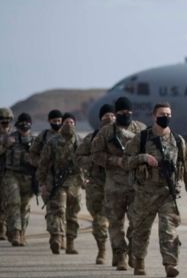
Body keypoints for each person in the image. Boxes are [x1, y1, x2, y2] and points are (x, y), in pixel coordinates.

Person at [123, 102, 187, 277]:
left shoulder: (178, 140)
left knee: (169, 229)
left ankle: (170, 264)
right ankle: (139, 261)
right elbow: (126, 161)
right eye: (162, 114)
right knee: (141, 230)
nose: (165, 117)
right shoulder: (141, 138)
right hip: (145, 192)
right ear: (154, 116)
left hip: (167, 192)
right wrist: (143, 157)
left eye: (168, 114)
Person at [91, 97, 146, 270]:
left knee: (137, 222)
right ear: (116, 113)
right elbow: (96, 155)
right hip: (114, 186)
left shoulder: (141, 129)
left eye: (129, 111)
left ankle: (132, 250)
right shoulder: (106, 132)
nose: (126, 114)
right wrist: (116, 161)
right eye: (122, 112)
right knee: (115, 224)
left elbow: (149, 150)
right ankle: (120, 254)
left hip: (136, 184)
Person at [36, 113, 84, 254]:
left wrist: (86, 177)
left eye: (72, 122)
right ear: (62, 123)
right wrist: (42, 182)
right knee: (58, 210)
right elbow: (43, 163)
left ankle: (70, 243)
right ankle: (56, 238)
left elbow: (86, 161)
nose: (69, 124)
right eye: (67, 122)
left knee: (73, 214)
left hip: (75, 183)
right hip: (58, 182)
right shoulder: (52, 141)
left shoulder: (80, 141)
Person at [76, 104, 115, 264]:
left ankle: (119, 254)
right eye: (106, 116)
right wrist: (94, 160)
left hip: (117, 184)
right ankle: (102, 249)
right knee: (99, 219)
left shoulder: (123, 137)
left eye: (112, 115)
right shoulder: (91, 138)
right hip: (96, 185)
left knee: (116, 221)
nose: (110, 118)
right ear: (100, 119)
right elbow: (78, 158)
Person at [1, 111, 36, 246]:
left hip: (28, 177)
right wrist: (5, 145)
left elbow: (42, 158)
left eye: (27, 123)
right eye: (22, 123)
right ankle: (15, 232)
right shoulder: (9, 138)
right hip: (11, 175)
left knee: (25, 206)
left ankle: (22, 234)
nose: (24, 125)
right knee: (13, 203)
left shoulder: (34, 141)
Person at [0, 107, 14, 240]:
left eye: (8, 120)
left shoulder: (14, 134)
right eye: (3, 121)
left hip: (10, 173)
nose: (6, 123)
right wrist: (5, 145)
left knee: (9, 202)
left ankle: (10, 229)